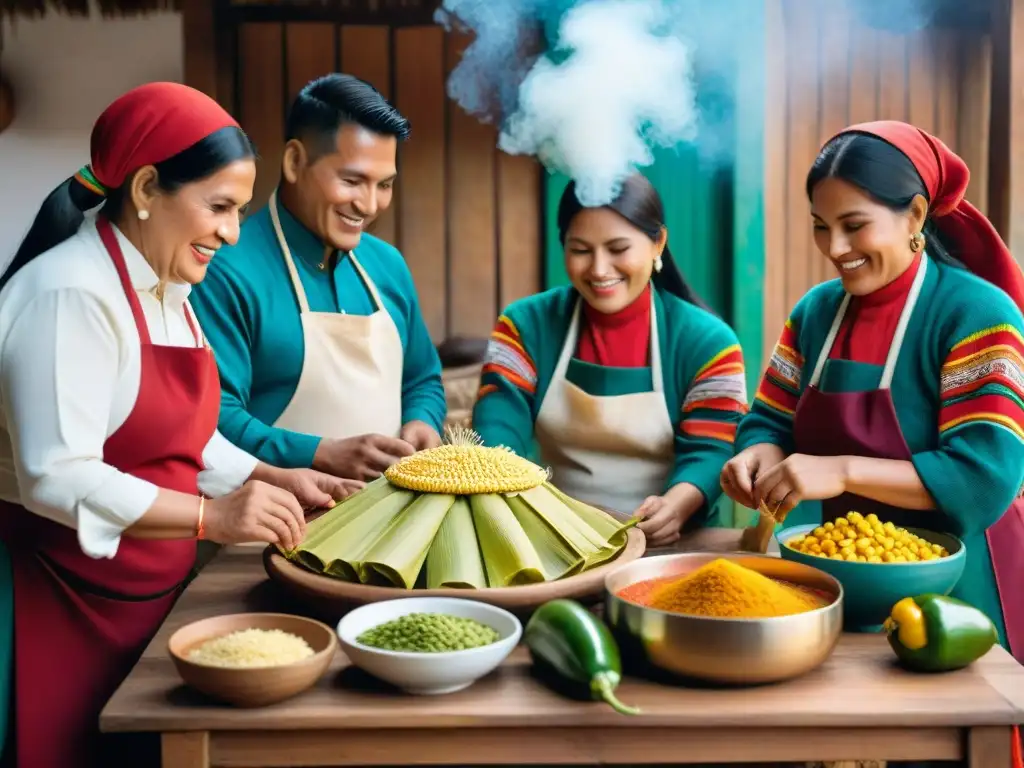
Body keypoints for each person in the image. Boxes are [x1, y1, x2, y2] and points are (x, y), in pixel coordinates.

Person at [0, 82, 362, 768]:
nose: (231, 232)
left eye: (239, 211)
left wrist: (276, 476)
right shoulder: (69, 294)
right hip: (59, 601)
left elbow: (187, 439)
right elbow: (57, 477)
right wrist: (212, 518)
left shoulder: (173, 291)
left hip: (146, 603)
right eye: (219, 207)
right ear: (144, 188)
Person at [721, 121, 1024, 665]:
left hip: (961, 588)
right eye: (821, 226)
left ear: (914, 215)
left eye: (854, 226)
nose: (834, 249)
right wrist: (757, 452)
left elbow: (984, 480)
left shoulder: (976, 314)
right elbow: (769, 417)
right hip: (842, 576)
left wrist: (839, 470)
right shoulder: (816, 312)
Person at [189, 74, 447, 482]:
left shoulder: (388, 265)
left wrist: (423, 421)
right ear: (294, 162)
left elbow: (422, 378)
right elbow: (212, 418)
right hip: (265, 530)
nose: (369, 204)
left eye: (385, 185)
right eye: (351, 180)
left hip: (389, 528)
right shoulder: (224, 269)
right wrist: (320, 453)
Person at [471, 175, 748, 549]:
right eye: (581, 250)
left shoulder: (710, 342)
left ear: (658, 243)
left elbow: (712, 450)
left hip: (673, 544)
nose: (599, 269)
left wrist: (676, 506)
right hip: (556, 538)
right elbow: (498, 428)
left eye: (618, 248)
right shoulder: (523, 325)